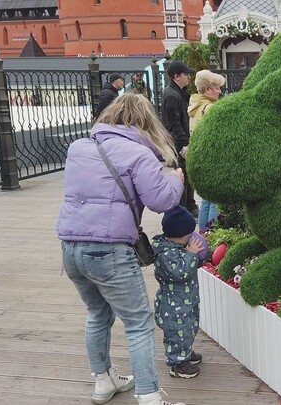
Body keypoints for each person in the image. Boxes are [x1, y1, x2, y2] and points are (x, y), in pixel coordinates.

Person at [57, 93, 187, 405]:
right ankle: (149, 396)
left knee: (97, 314)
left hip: (70, 249)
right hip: (110, 251)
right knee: (139, 324)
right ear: (146, 123)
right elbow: (162, 201)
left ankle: (103, 381)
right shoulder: (138, 154)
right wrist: (177, 180)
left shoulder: (78, 148)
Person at [152, 206, 204, 379]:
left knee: (188, 329)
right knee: (177, 333)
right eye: (190, 235)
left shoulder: (178, 248)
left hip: (185, 302)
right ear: (181, 236)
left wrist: (196, 258)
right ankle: (178, 364)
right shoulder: (166, 254)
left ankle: (185, 352)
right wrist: (191, 255)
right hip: (174, 307)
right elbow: (180, 272)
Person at [188, 69, 226, 231]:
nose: (220, 91)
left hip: (199, 157)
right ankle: (212, 235)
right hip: (213, 159)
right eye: (216, 88)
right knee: (216, 201)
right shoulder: (210, 108)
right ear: (207, 89)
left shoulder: (196, 105)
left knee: (205, 201)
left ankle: (203, 234)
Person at [161, 60, 198, 217]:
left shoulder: (177, 93)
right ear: (176, 76)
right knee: (181, 177)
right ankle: (183, 211)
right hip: (179, 145)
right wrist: (185, 144)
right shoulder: (171, 96)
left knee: (186, 177)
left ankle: (189, 206)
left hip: (180, 143)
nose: (188, 77)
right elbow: (173, 124)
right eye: (185, 74)